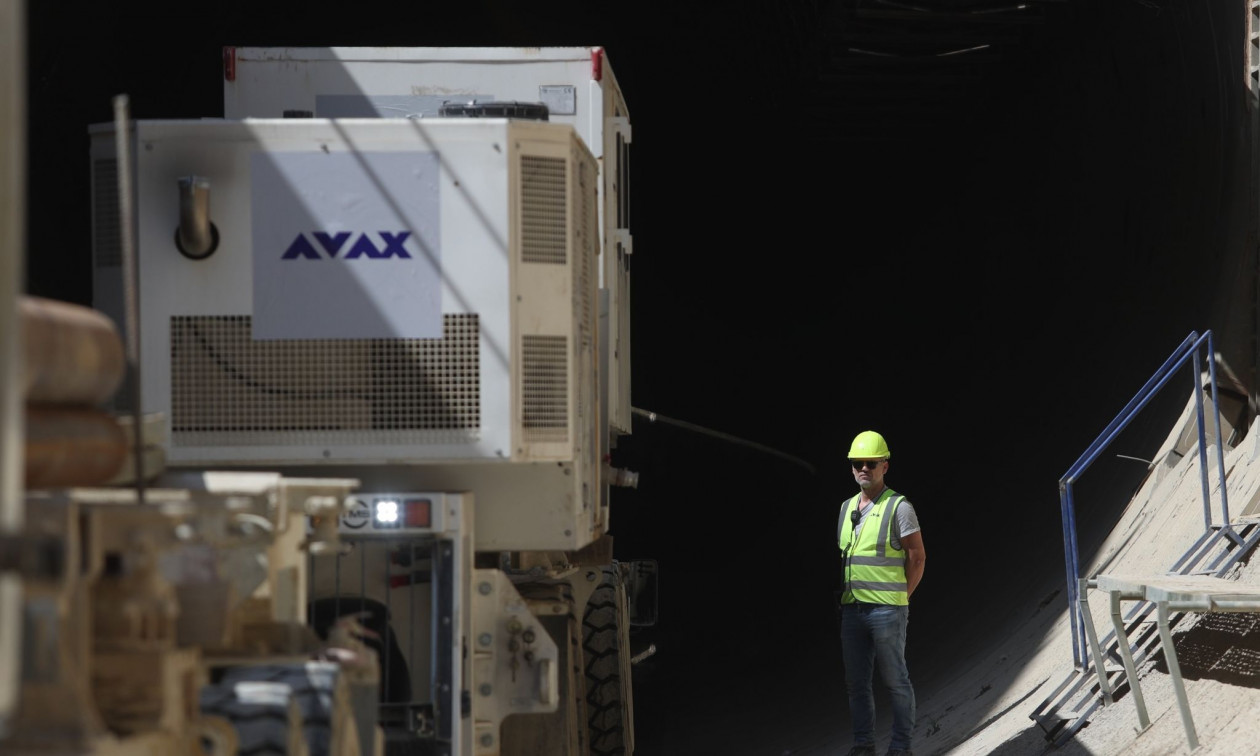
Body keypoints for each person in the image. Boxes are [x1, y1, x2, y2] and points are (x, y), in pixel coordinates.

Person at [837, 430, 926, 756]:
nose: (864, 468)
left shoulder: (898, 507)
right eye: (858, 463)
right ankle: (864, 746)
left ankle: (901, 748)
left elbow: (917, 557)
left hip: (887, 610)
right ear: (851, 467)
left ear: (884, 466)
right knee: (856, 684)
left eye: (871, 463)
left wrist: (903, 597)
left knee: (895, 681)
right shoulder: (846, 509)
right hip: (852, 610)